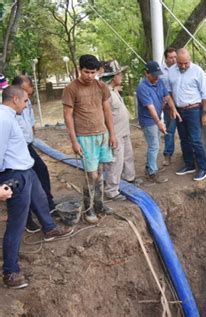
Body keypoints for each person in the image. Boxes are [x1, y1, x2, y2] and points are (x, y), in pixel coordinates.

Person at [1, 85, 73, 289]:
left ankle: (49, 228)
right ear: (15, 99)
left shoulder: (8, 116)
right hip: (15, 174)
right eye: (24, 101)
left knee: (40, 198)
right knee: (17, 223)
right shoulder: (3, 119)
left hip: (26, 170)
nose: (26, 105)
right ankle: (10, 272)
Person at [63, 54, 118, 224]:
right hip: (84, 137)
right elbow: (67, 116)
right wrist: (74, 141)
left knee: (100, 173)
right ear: (80, 70)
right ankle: (89, 209)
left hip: (102, 135)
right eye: (86, 72)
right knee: (91, 175)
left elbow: (107, 111)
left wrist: (112, 134)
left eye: (93, 72)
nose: (89, 76)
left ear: (97, 71)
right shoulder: (71, 89)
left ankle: (100, 204)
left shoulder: (101, 86)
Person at [12, 75, 56, 233]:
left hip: (27, 145)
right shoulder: (8, 109)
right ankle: (27, 219)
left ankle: (49, 206)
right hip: (16, 149)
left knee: (41, 171)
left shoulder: (26, 102)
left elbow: (29, 121)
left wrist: (31, 135)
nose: (27, 98)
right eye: (27, 92)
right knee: (23, 182)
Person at [168, 48, 206, 182]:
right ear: (176, 61)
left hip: (193, 110)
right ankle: (189, 165)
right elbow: (169, 92)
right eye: (181, 63)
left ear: (189, 60)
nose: (184, 66)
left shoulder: (197, 71)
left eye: (186, 63)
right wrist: (173, 108)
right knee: (183, 139)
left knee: (195, 140)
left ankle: (203, 168)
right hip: (179, 110)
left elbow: (205, 95)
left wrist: (204, 113)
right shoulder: (171, 71)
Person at [100, 60, 140, 200]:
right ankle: (111, 190)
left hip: (124, 131)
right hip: (115, 133)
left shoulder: (113, 90)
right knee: (115, 162)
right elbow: (105, 115)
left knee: (127, 156)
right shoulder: (106, 93)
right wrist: (111, 135)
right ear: (113, 76)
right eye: (119, 74)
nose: (121, 76)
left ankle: (129, 178)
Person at [136, 60, 179, 183]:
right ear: (146, 73)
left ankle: (149, 167)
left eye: (158, 75)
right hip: (148, 120)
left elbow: (167, 97)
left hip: (156, 118)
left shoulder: (159, 82)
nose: (156, 78)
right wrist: (159, 122)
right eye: (154, 75)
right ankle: (152, 172)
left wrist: (173, 109)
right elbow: (150, 108)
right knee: (154, 146)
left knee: (155, 145)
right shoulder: (142, 88)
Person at [161, 47, 178, 166]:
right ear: (166, 58)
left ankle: (189, 154)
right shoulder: (161, 72)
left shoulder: (182, 68)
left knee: (186, 131)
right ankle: (168, 154)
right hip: (168, 105)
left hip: (183, 105)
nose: (173, 60)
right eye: (171, 58)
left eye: (175, 57)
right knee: (170, 131)